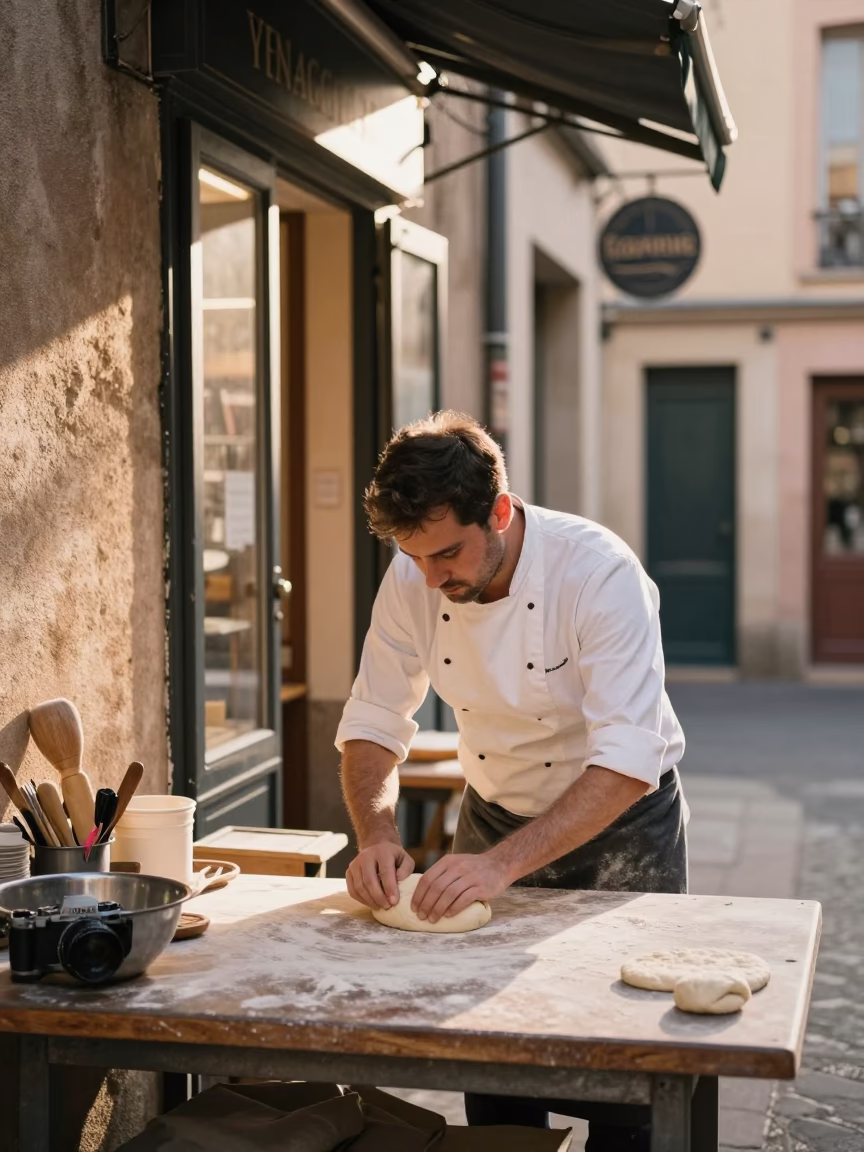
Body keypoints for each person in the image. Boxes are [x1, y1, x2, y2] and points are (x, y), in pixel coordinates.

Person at [336, 411, 687, 1152]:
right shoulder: (413, 577)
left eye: (448, 554)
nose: (432, 578)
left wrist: (500, 867)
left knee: (626, 1071)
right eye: (414, 556)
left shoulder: (598, 573)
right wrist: (376, 832)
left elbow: (628, 757)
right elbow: (373, 719)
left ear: (498, 512)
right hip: (493, 815)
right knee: (493, 1060)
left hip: (621, 829)